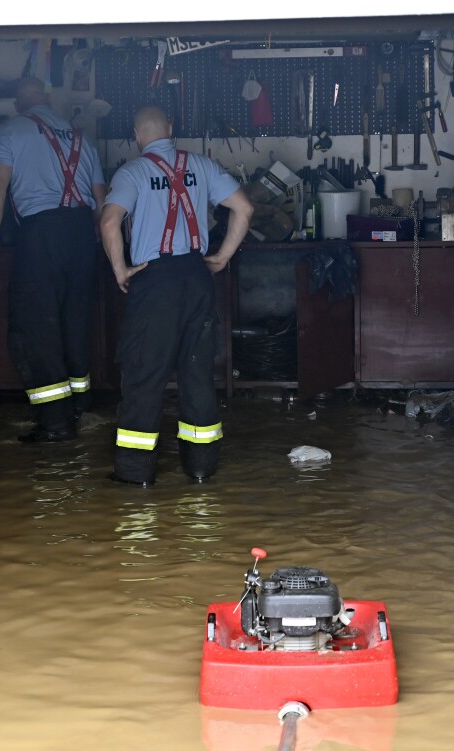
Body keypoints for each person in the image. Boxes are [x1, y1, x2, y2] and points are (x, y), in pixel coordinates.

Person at [100, 105, 254, 485]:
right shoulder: (202, 166)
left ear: (136, 134)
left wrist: (120, 270)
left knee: (144, 373)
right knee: (197, 373)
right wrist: (222, 256)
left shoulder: (132, 172)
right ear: (171, 127)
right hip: (196, 276)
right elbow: (244, 208)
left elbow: (109, 221)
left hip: (155, 282)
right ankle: (201, 468)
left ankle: (136, 475)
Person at [0, 77, 107, 442]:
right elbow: (102, 203)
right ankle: (80, 407)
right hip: (83, 234)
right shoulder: (83, 140)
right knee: (74, 318)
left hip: (42, 233)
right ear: (48, 101)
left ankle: (55, 422)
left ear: (18, 105)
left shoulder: (10, 132)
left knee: (37, 324)